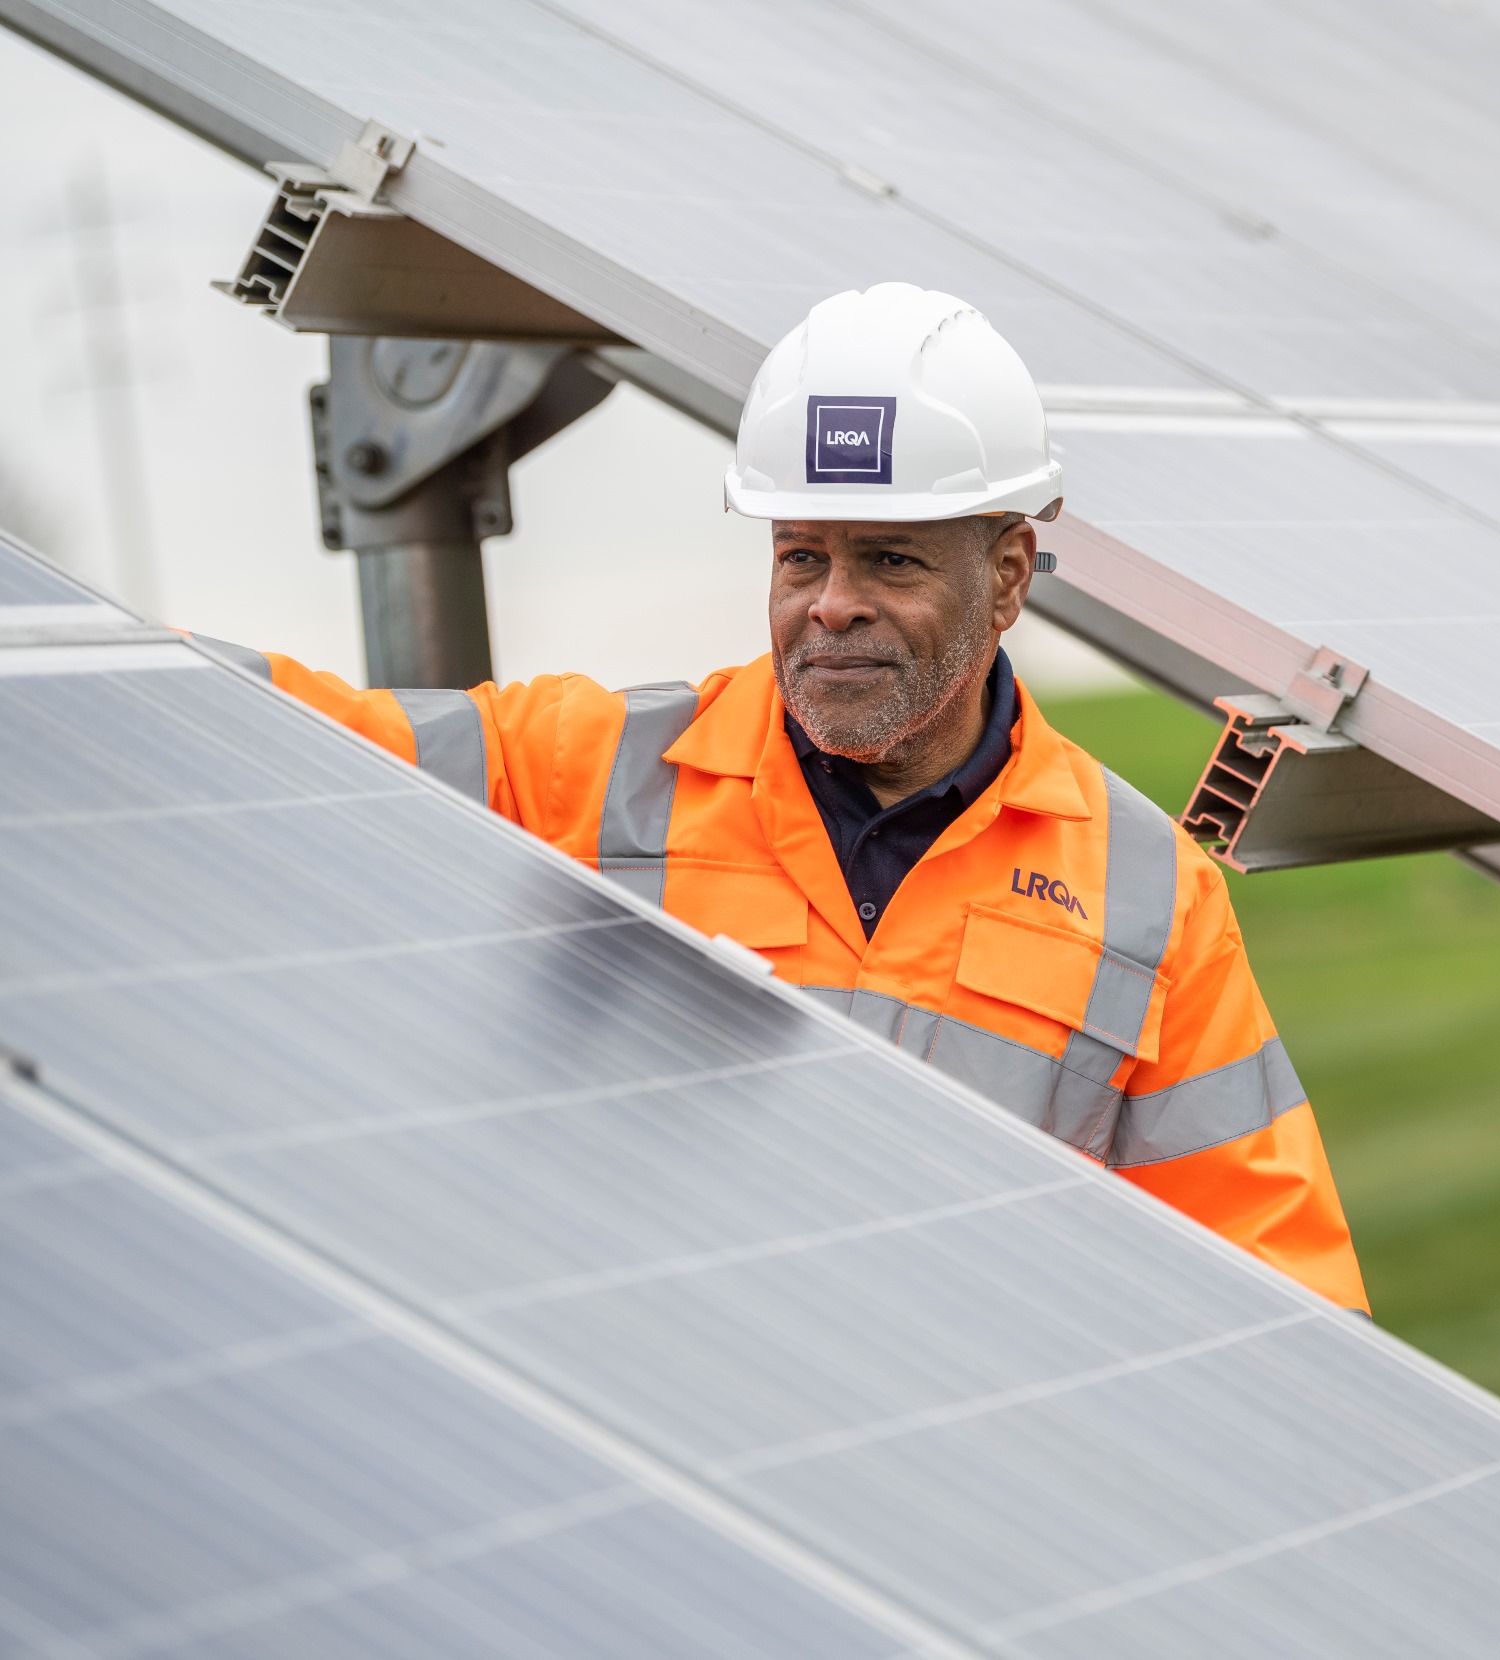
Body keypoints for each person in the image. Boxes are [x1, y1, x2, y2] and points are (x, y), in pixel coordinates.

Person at [229, 284, 1366, 1312]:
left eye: (891, 560)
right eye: (801, 556)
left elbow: (1276, 1291)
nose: (831, 605)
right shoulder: (589, 767)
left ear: (1008, 573)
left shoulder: (1151, 895)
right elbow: (272, 732)